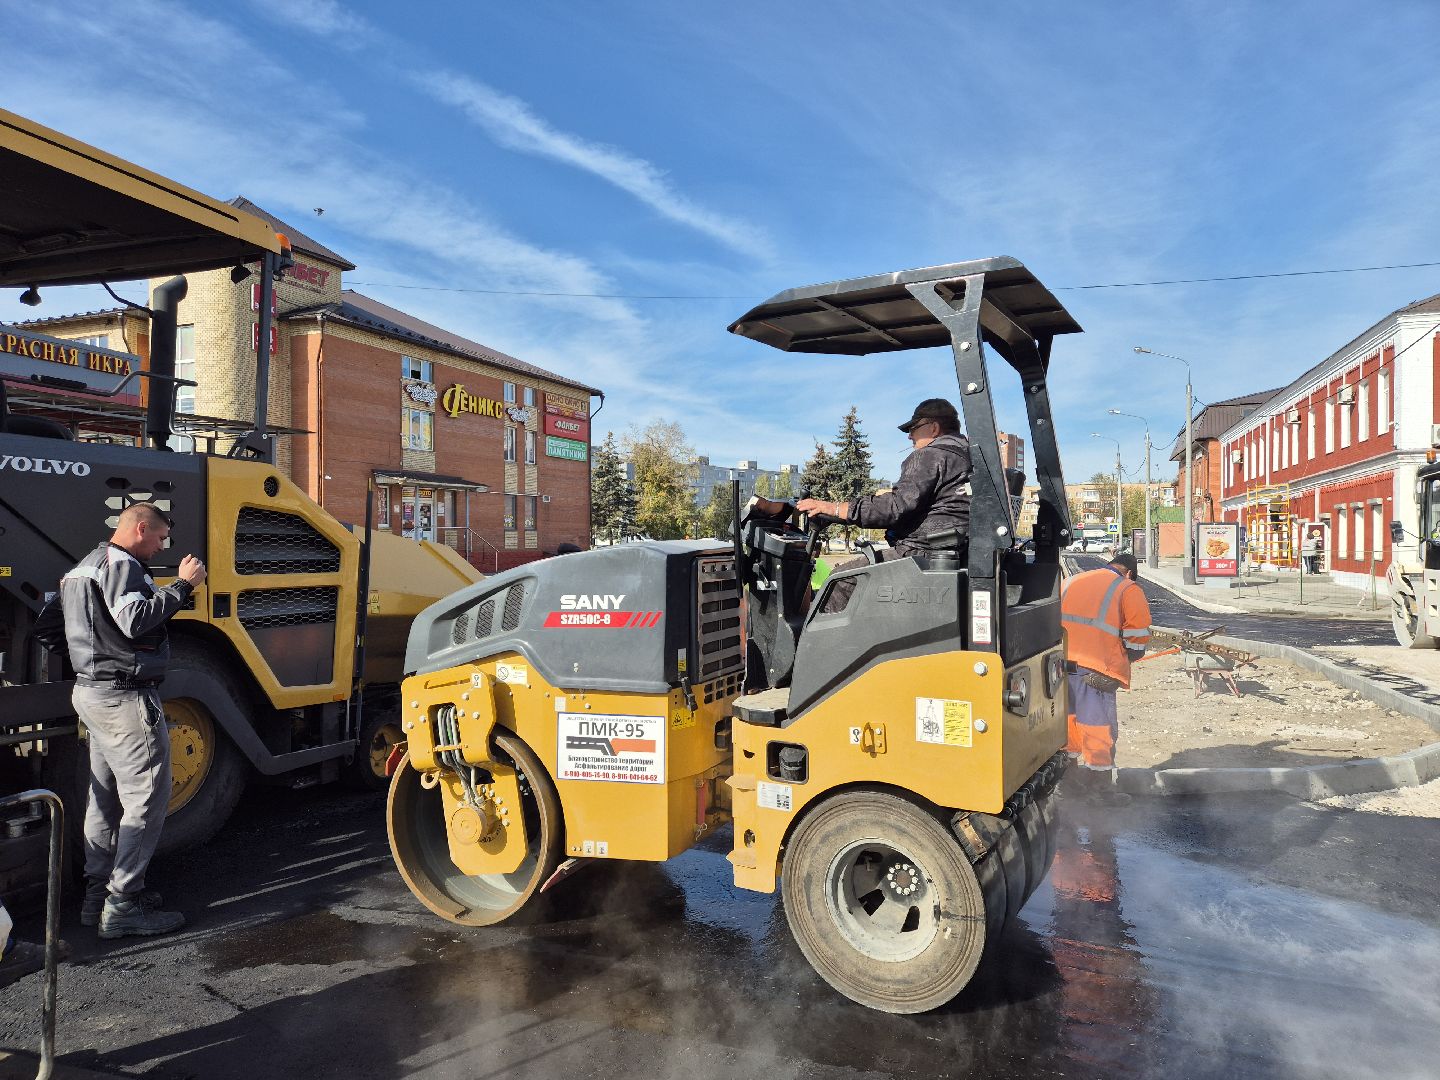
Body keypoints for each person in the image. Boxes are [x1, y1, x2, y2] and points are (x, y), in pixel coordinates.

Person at [60, 502, 205, 939]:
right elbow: (134, 620)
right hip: (124, 697)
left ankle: (96, 895)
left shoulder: (82, 568)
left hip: (90, 692)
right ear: (141, 528)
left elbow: (51, 628)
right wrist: (183, 585)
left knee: (103, 798)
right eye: (160, 537)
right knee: (147, 798)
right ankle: (124, 902)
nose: (162, 545)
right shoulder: (122, 564)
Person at [1061, 552, 1151, 803]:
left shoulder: (1070, 581)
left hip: (1060, 665)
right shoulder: (1127, 588)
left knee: (1067, 724)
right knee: (1098, 726)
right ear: (1130, 572)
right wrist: (1126, 660)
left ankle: (1067, 784)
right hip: (1096, 669)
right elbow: (1137, 638)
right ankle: (1099, 790)